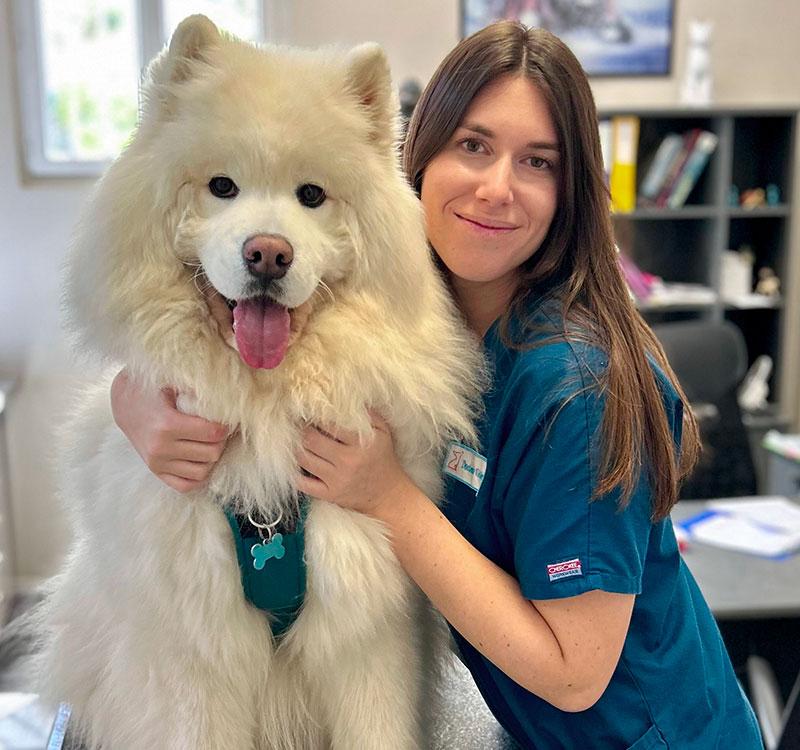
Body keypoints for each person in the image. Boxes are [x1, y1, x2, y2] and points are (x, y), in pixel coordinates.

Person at [111, 21, 763, 749]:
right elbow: (202, 348)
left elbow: (576, 675)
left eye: (538, 162)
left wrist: (388, 496)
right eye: (474, 146)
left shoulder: (578, 386)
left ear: (570, 191)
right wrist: (133, 397)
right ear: (418, 156)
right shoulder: (424, 317)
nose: (497, 188)